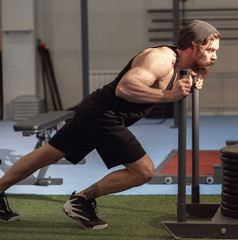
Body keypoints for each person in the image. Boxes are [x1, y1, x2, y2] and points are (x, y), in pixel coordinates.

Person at [0, 20, 220, 229]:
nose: (215, 56)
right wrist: (170, 95)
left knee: (47, 154)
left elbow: (193, 73)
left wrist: (196, 78)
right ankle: (80, 201)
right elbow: (124, 88)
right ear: (193, 47)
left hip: (96, 110)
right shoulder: (160, 59)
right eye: (210, 50)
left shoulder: (181, 64)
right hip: (104, 115)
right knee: (144, 172)